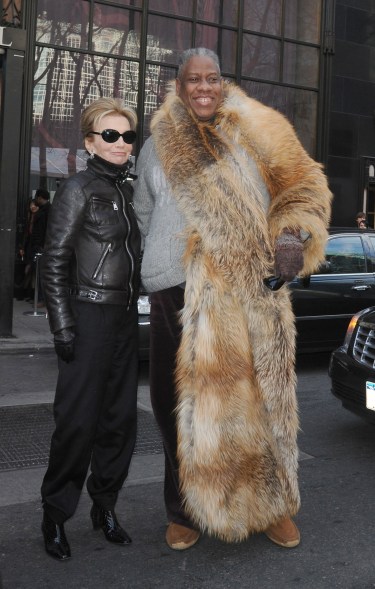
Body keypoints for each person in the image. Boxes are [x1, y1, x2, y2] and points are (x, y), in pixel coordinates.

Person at [133, 48, 332, 551]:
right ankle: (184, 511)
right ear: (178, 87)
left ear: (223, 82)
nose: (203, 87)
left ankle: (273, 504)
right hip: (172, 291)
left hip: (247, 287)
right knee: (174, 407)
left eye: (212, 78)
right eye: (192, 79)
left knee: (258, 405)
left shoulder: (260, 127)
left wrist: (292, 237)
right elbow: (143, 209)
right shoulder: (158, 145)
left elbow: (305, 189)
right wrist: (159, 260)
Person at [40, 97, 141, 561]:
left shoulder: (127, 190)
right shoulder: (78, 188)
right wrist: (63, 328)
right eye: (110, 135)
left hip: (123, 320)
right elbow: (55, 260)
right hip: (87, 317)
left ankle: (105, 508)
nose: (120, 144)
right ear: (90, 141)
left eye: (127, 135)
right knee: (77, 425)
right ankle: (55, 516)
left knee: (119, 423)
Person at [18, 198, 39, 300]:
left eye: (35, 205)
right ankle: (27, 293)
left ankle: (28, 293)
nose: (32, 207)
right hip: (29, 247)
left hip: (35, 247)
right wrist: (22, 247)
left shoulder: (39, 218)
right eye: (31, 205)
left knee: (31, 270)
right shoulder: (29, 217)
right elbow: (25, 235)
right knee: (28, 270)